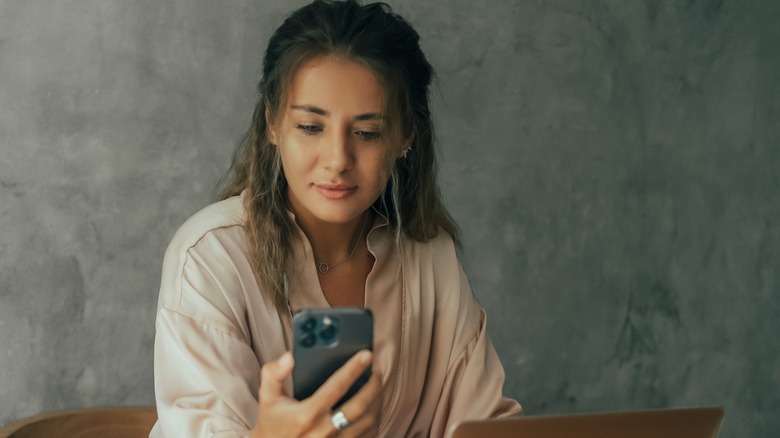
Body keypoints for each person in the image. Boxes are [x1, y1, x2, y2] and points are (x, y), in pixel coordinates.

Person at [150, 0, 522, 436]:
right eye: (311, 127)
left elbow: (487, 424)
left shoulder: (430, 256)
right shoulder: (209, 258)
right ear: (272, 122)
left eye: (367, 133)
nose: (337, 160)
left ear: (405, 137)